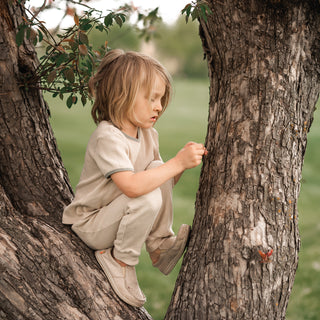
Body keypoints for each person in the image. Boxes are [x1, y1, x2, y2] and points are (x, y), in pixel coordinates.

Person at [62, 49, 207, 308]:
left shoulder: (149, 135)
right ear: (122, 96)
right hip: (92, 225)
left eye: (161, 99)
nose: (159, 106)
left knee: (156, 167)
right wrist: (176, 163)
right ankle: (120, 261)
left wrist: (177, 167)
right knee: (148, 185)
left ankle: (159, 245)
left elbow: (160, 184)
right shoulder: (108, 137)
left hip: (118, 215)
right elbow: (131, 187)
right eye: (151, 98)